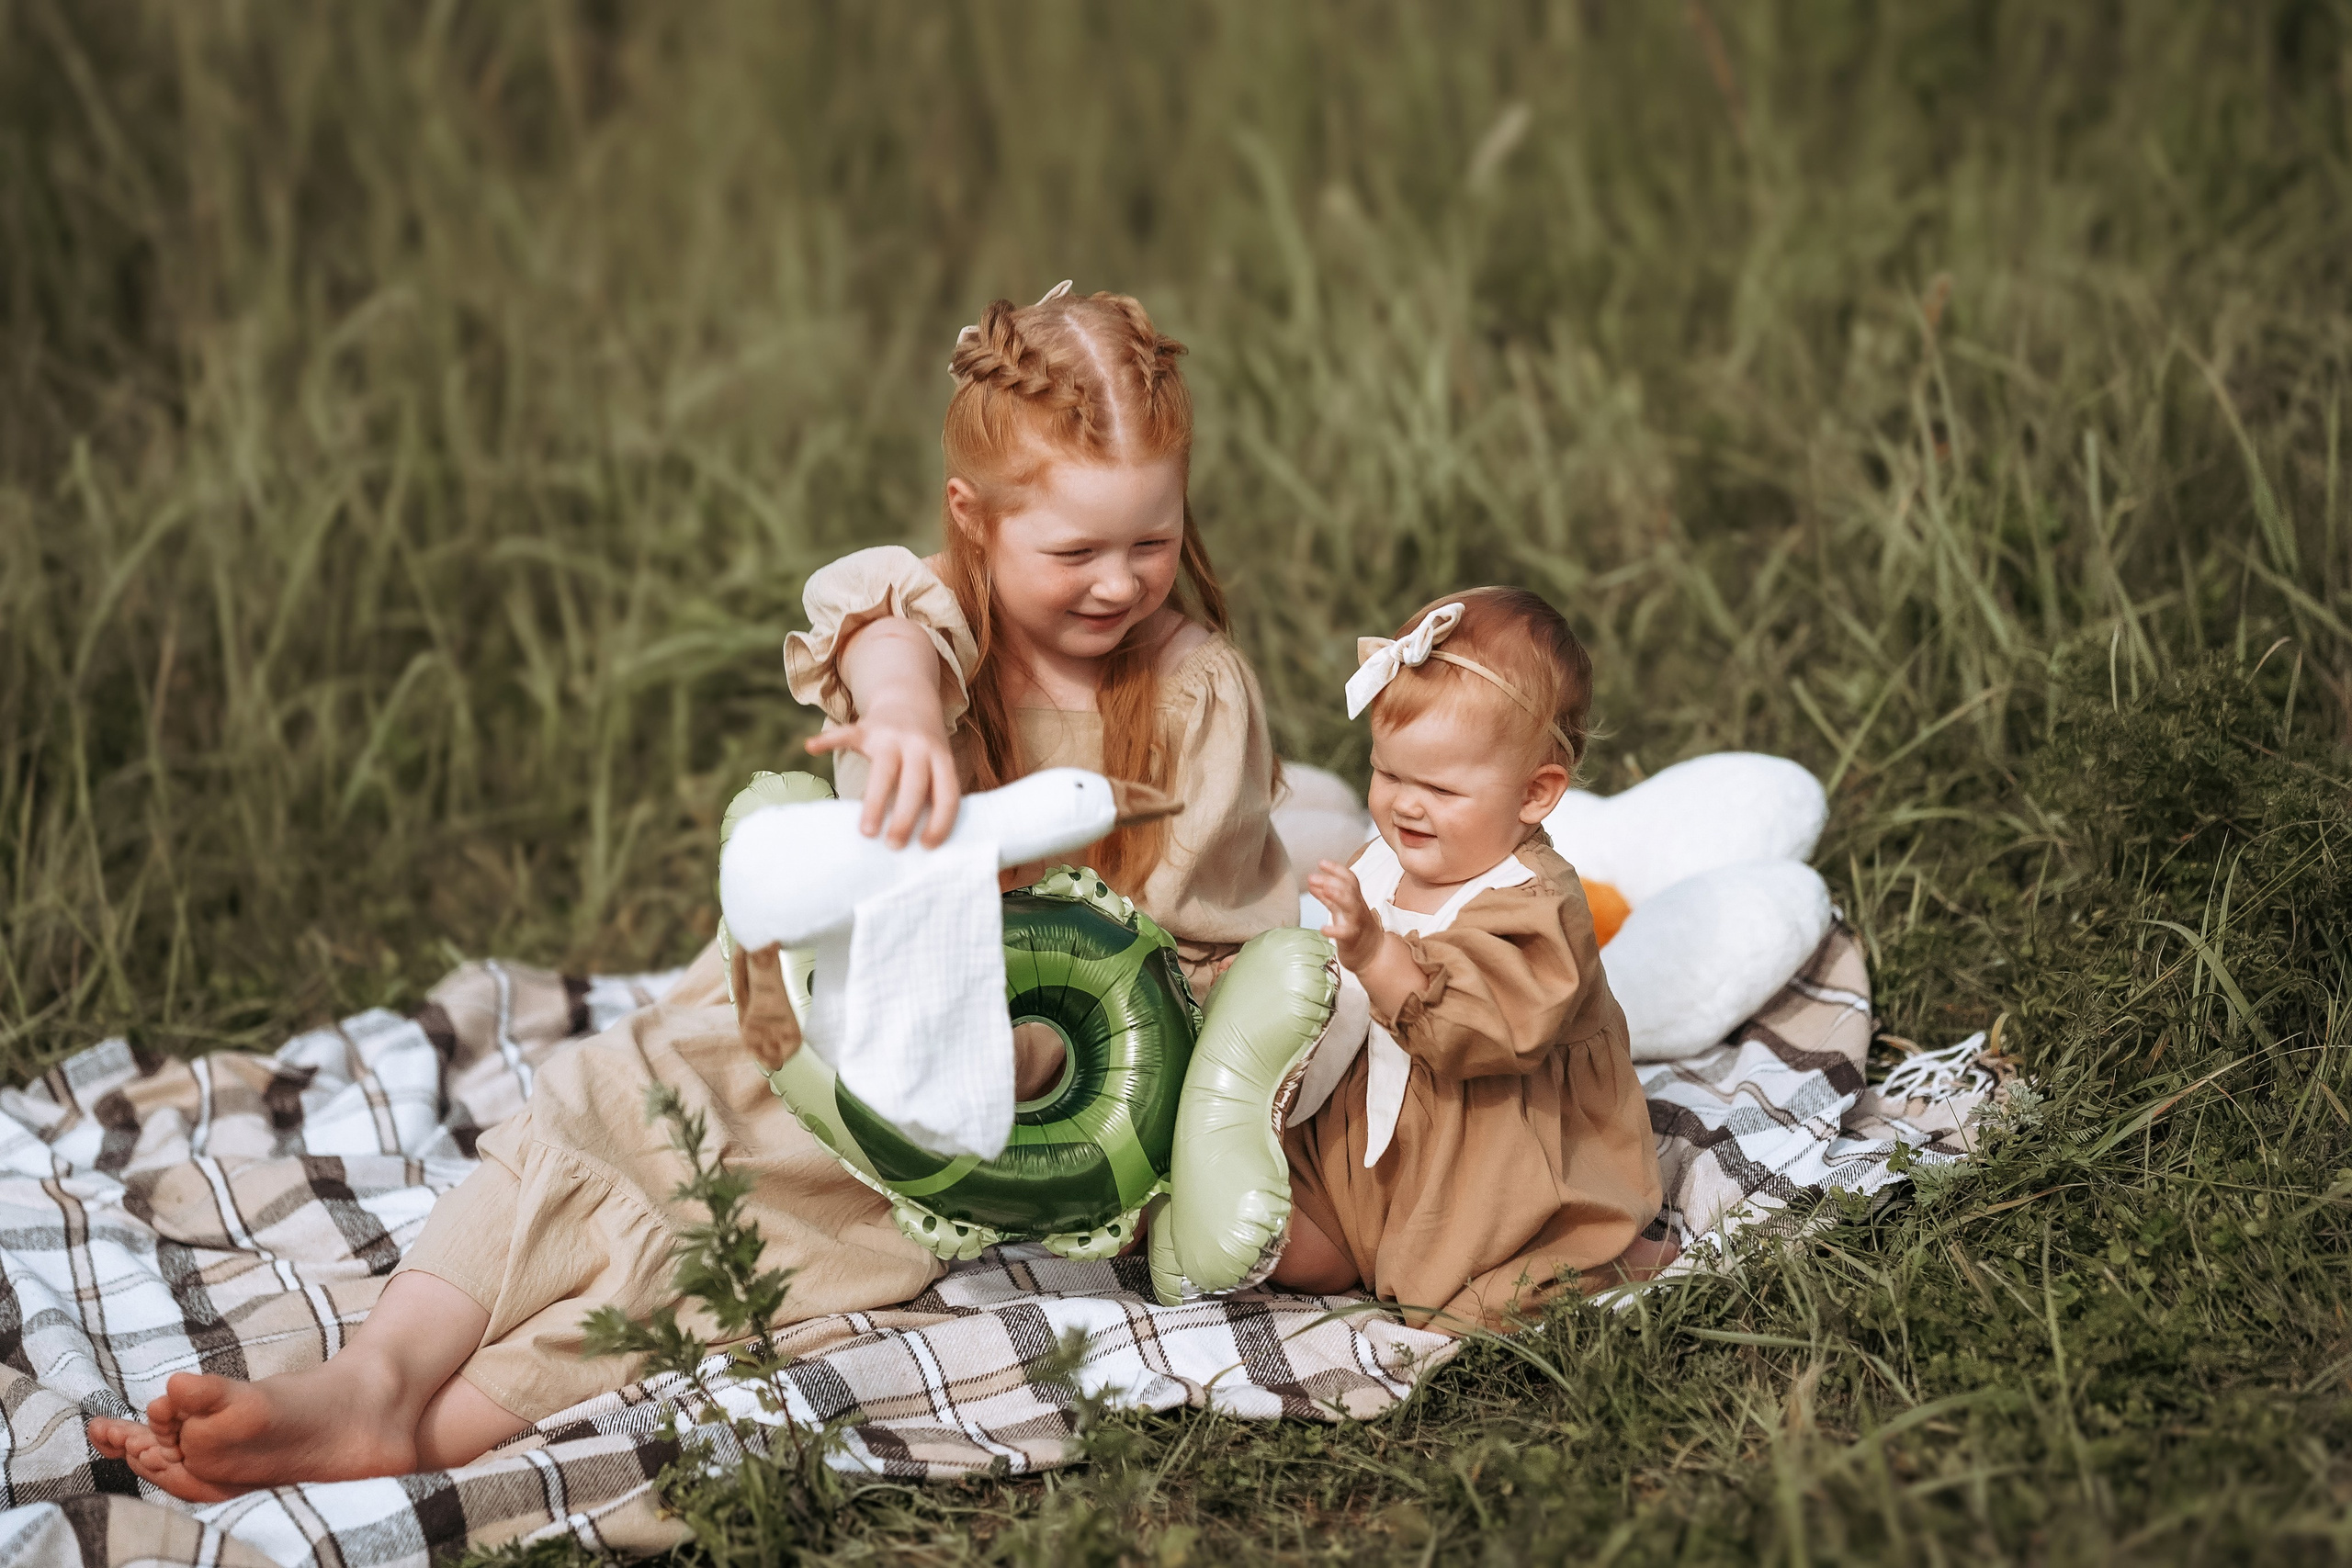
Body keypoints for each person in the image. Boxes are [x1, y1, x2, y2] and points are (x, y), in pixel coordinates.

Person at [87, 282, 1295, 1500]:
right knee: (607, 1101)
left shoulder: (1191, 695)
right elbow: (881, 629)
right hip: (806, 1007)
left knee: (726, 1244)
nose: (1118, 582)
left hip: (970, 1092)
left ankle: (432, 1428)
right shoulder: (932, 616)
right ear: (973, 519)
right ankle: (373, 1375)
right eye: (1075, 550)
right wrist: (905, 725)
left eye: (1151, 540)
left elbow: (1185, 945)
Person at [1271, 589, 1674, 1329]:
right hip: (1373, 1147)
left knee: (1470, 1300)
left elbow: (1488, 1028)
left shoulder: (1535, 902)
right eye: (1389, 775)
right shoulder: (1386, 859)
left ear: (1535, 793)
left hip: (1492, 1158)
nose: (1404, 806)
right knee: (1295, 1243)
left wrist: (1375, 951)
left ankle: (1609, 1249)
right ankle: (1328, 1232)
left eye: (1440, 788)